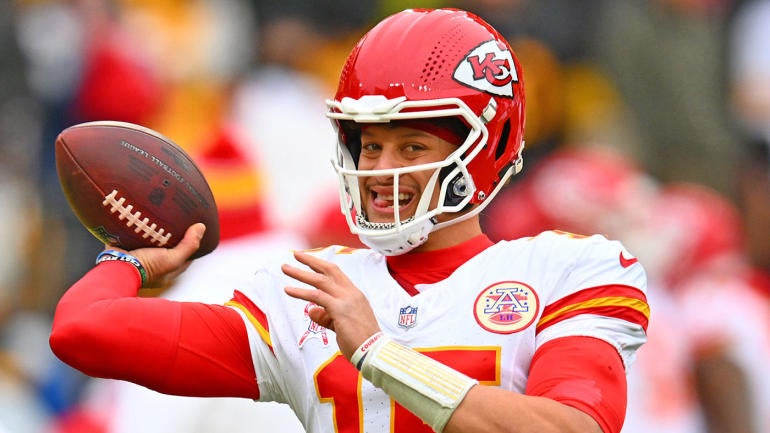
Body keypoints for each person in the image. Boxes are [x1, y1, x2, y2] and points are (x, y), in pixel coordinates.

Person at [49, 9, 649, 433]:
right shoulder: (305, 293)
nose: (381, 170)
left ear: (487, 148)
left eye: (412, 147)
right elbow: (81, 331)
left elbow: (570, 430)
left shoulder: (568, 270)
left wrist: (379, 353)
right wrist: (128, 259)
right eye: (369, 147)